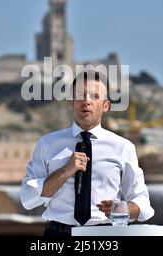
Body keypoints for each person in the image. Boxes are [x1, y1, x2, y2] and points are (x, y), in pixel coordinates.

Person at [20, 70, 154, 236]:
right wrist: (64, 172)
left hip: (105, 237)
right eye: (80, 96)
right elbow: (27, 198)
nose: (86, 101)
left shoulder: (123, 147)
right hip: (57, 236)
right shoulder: (47, 144)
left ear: (106, 106)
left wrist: (124, 208)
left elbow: (143, 203)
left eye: (94, 96)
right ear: (71, 103)